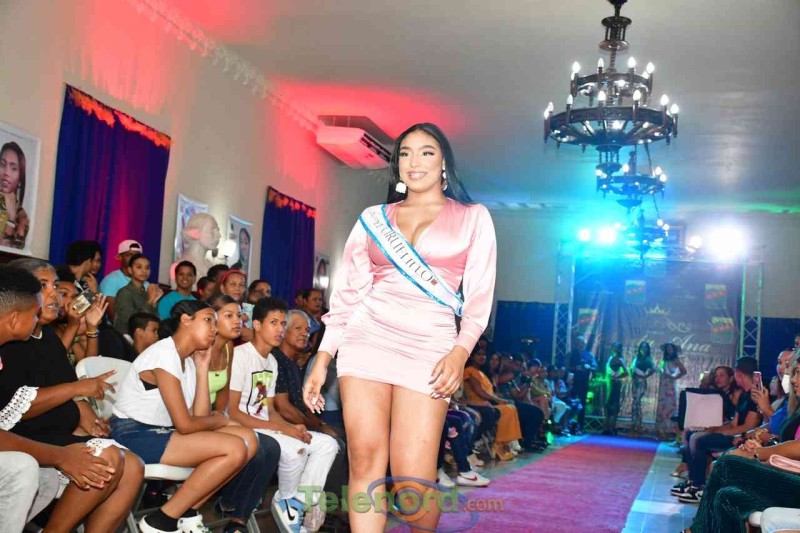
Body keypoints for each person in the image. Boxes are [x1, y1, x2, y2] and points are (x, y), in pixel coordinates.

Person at [304, 123, 496, 532]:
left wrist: (460, 352)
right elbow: (348, 293)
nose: (414, 161)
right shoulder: (374, 219)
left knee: (412, 481)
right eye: (405, 153)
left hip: (430, 348)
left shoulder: (472, 218)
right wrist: (323, 357)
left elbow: (479, 300)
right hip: (366, 340)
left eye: (427, 152)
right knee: (365, 462)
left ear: (443, 162)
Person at [0, 259, 144, 532]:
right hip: (29, 436)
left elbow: (62, 384)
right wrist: (77, 392)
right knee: (106, 459)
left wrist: (82, 414)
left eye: (55, 286)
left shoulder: (44, 337)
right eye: (43, 286)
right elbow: (16, 407)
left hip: (49, 433)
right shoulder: (12, 345)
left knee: (133, 467)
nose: (52, 294)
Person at [111, 300, 275, 533]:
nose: (214, 329)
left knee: (249, 439)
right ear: (186, 320)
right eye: (208, 320)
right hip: (133, 433)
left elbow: (199, 416)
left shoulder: (187, 359)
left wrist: (201, 368)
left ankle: (186, 511)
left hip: (160, 431)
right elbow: (186, 425)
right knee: (235, 448)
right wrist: (222, 420)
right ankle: (161, 521)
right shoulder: (164, 354)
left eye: (215, 323)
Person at [228, 298, 338, 533]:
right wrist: (284, 429)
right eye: (274, 323)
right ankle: (287, 503)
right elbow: (233, 412)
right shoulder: (240, 356)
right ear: (257, 325)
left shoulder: (271, 362)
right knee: (295, 450)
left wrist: (293, 427)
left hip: (266, 426)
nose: (280, 329)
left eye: (282, 323)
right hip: (243, 427)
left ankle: (296, 503)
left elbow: (268, 410)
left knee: (328, 445)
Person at [205, 295, 241, 410]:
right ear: (212, 319)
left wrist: (219, 413)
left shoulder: (228, 346)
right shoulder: (199, 348)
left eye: (239, 316)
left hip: (211, 412)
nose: (237, 321)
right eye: (229, 316)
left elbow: (224, 390)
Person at [113, 253, 163, 335]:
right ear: (130, 270)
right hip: (125, 338)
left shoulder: (146, 293)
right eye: (139, 267)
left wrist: (154, 302)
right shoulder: (124, 293)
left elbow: (155, 321)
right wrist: (150, 300)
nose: (144, 271)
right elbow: (133, 323)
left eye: (147, 268)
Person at [0, 141, 30, 248]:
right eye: (2, 164)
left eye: (13, 168)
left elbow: (8, 254)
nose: (6, 172)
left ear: (20, 177)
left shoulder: (22, 218)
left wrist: (11, 219)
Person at [655, 342, 687, 440]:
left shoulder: (675, 360)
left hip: (670, 386)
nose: (669, 349)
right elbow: (661, 370)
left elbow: (684, 371)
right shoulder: (664, 360)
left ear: (673, 350)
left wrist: (674, 377)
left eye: (670, 348)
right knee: (662, 406)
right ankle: (661, 430)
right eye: (667, 348)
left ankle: (669, 430)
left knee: (669, 407)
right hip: (663, 385)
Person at [177, 213, 221, 280]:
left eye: (217, 230)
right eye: (212, 231)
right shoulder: (179, 265)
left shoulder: (210, 266)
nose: (219, 235)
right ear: (195, 233)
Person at [568, 335, 597, 432]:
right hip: (573, 382)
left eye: (582, 343)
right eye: (579, 343)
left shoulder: (589, 355)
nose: (581, 345)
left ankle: (580, 426)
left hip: (584, 383)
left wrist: (588, 367)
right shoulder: (572, 354)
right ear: (576, 344)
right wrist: (575, 368)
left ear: (585, 344)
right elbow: (567, 367)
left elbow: (595, 367)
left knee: (582, 404)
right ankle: (569, 425)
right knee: (571, 402)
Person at [630, 341, 657, 435]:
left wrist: (646, 375)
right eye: (642, 347)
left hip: (641, 382)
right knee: (635, 402)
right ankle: (634, 424)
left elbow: (654, 368)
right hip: (635, 381)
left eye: (645, 347)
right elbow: (632, 368)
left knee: (637, 402)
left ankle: (638, 425)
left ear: (648, 349)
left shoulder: (648, 359)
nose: (643, 349)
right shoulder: (636, 358)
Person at [603, 342, 629, 435]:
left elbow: (626, 372)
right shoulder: (611, 358)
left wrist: (617, 377)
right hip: (609, 383)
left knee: (614, 405)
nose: (613, 348)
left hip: (615, 384)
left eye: (615, 347)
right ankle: (607, 427)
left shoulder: (620, 360)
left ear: (619, 349)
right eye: (613, 346)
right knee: (608, 405)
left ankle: (612, 428)